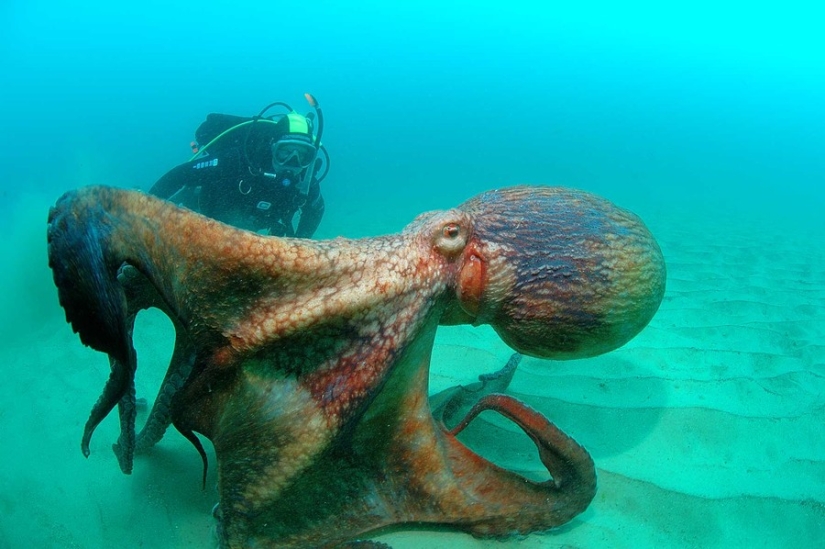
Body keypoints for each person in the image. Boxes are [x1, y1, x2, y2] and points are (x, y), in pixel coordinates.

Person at [149, 94, 328, 237]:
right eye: (285, 151)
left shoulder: (306, 182)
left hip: (246, 232)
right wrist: (147, 207)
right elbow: (180, 174)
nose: (293, 161)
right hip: (202, 208)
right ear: (272, 146)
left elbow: (315, 210)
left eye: (303, 155)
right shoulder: (239, 160)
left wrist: (298, 242)